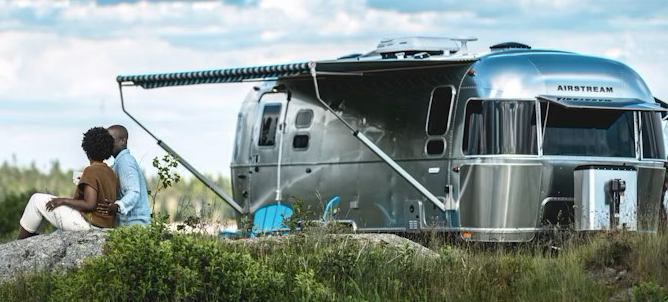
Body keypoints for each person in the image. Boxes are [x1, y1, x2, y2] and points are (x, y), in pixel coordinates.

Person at [16, 127, 118, 239]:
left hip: (88, 225)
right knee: (51, 201)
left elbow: (90, 204)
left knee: (36, 200)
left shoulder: (91, 170)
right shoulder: (110, 172)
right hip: (104, 225)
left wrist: (63, 200)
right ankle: (30, 237)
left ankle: (19, 241)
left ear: (87, 149)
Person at [98, 125, 150, 226]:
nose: (107, 144)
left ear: (122, 140)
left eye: (110, 140)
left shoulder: (125, 162)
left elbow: (133, 191)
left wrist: (117, 206)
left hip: (135, 226)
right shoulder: (119, 163)